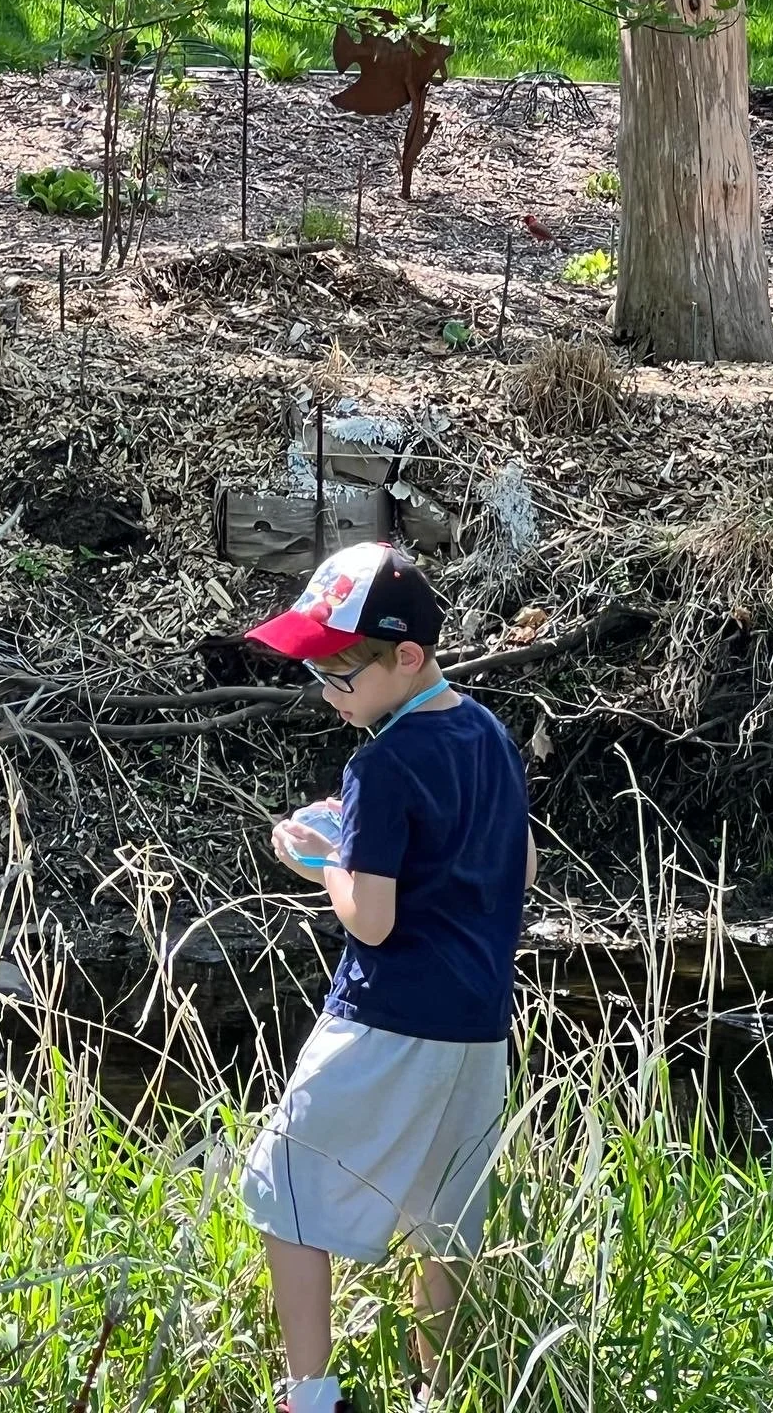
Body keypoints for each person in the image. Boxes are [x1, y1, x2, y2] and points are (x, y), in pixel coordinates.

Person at [239, 541, 535, 1413]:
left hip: (385, 1018)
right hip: (476, 1024)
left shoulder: (379, 763)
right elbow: (515, 867)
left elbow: (371, 917)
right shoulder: (487, 732)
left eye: (339, 675)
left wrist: (321, 854)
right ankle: (435, 1393)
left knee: (281, 1186)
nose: (326, 694)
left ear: (406, 657)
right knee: (443, 1218)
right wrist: (370, 841)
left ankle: (310, 1395)